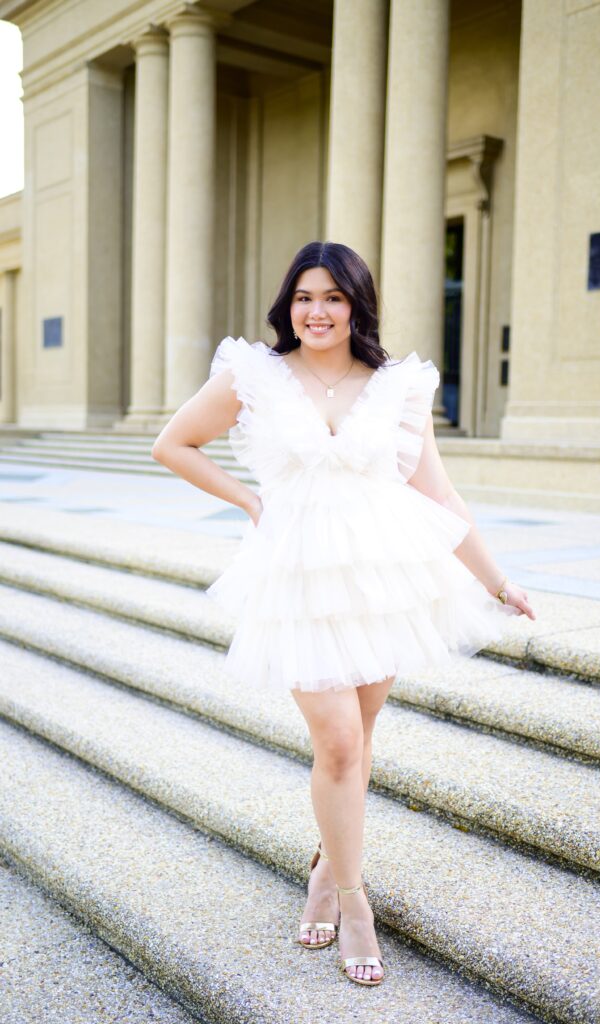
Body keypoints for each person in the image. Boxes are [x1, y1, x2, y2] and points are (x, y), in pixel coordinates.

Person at [151, 240, 536, 987]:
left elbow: (438, 494)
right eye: (303, 296)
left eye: (331, 297)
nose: (315, 311)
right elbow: (174, 444)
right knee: (335, 743)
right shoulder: (254, 376)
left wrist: (496, 582)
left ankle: (329, 865)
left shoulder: (394, 386)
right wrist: (251, 500)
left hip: (380, 576)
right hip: (296, 577)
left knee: (358, 739)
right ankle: (353, 900)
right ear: (286, 304)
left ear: (356, 303)